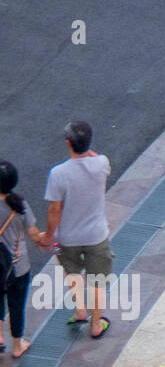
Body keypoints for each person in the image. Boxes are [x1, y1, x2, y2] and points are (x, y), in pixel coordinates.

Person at [41, 121, 112, 338]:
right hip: (96, 235)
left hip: (68, 237)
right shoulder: (101, 164)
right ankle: (96, 324)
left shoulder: (58, 173)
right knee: (97, 280)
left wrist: (48, 235)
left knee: (72, 273)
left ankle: (80, 311)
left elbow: (54, 210)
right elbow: (94, 156)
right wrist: (87, 150)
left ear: (68, 143)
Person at [0, 160, 48, 357]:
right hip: (18, 266)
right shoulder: (20, 204)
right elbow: (34, 234)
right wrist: (45, 239)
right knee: (17, 306)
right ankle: (17, 346)